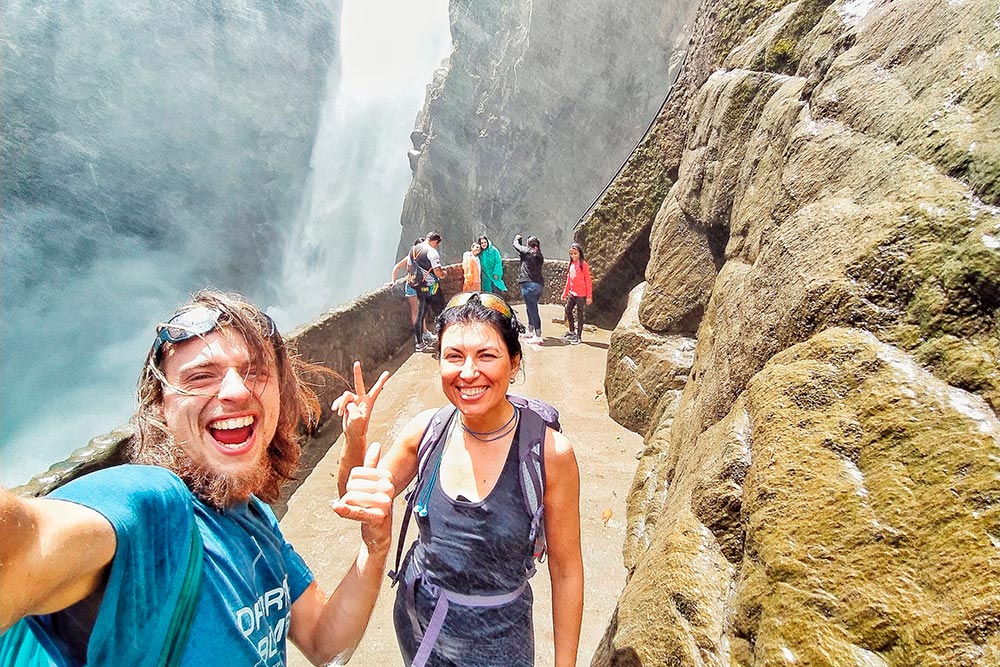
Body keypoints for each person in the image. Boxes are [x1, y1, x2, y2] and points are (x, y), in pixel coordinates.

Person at [0, 290, 395, 667]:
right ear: (160, 408)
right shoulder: (150, 511)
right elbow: (22, 541)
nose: (237, 391)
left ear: (281, 393)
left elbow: (325, 643)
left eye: (255, 371)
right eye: (201, 376)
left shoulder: (256, 518)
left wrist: (374, 548)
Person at [334, 292, 584, 667]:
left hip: (500, 639)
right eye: (453, 356)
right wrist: (354, 438)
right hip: (418, 621)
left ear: (514, 362)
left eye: (486, 355)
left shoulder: (548, 454)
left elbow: (566, 571)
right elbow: (356, 500)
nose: (468, 373)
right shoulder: (426, 431)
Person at [409, 232, 446, 352]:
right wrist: (444, 274)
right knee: (440, 311)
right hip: (431, 287)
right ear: (434, 241)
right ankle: (443, 339)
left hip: (419, 286)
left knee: (420, 314)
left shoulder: (413, 250)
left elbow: (409, 268)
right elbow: (438, 272)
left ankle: (419, 344)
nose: (436, 247)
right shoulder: (432, 252)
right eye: (437, 244)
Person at [512, 234, 545, 345]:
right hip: (538, 285)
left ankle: (538, 335)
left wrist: (517, 238)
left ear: (529, 244)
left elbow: (515, 245)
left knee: (533, 310)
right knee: (530, 307)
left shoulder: (527, 251)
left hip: (528, 285)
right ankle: (530, 330)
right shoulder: (539, 255)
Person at [390, 236, 426, 331]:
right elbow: (396, 267)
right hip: (412, 286)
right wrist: (393, 281)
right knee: (416, 311)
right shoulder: (411, 257)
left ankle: (425, 332)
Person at [561, 243, 592, 345]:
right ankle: (571, 331)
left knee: (579, 315)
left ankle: (579, 336)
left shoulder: (583, 265)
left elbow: (588, 281)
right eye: (571, 254)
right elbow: (569, 280)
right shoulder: (571, 265)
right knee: (568, 309)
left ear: (579, 253)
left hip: (581, 295)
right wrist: (565, 293)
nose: (573, 256)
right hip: (572, 294)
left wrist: (589, 296)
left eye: (575, 253)